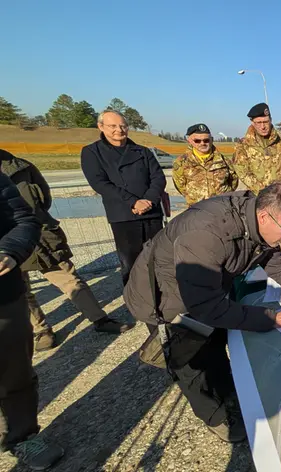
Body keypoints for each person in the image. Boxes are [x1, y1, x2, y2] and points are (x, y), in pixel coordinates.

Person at [123, 183, 281, 443]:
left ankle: (228, 392)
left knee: (216, 342)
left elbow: (273, 261)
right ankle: (216, 417)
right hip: (165, 300)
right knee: (192, 363)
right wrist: (269, 318)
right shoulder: (205, 233)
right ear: (264, 216)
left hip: (206, 290)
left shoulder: (258, 221)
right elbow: (206, 307)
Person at [1, 149, 130, 350]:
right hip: (4, 245)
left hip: (39, 233)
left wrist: (36, 223)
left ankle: (100, 320)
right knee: (22, 290)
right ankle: (42, 331)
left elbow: (44, 197)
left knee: (70, 279)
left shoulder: (21, 166)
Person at [0, 171, 65, 469]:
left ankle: (22, 436)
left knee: (15, 372)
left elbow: (24, 221)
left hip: (4, 299)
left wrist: (10, 252)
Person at [81, 110, 166, 287]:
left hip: (151, 214)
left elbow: (158, 177)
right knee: (131, 264)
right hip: (124, 215)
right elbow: (99, 183)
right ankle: (137, 304)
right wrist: (133, 202)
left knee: (159, 259)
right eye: (112, 126)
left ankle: (162, 301)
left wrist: (149, 200)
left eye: (122, 126)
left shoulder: (142, 151)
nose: (118, 130)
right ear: (101, 127)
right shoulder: (92, 152)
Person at [231, 103, 281, 256]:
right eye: (258, 123)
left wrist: (276, 191)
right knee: (258, 241)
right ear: (252, 123)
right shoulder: (243, 146)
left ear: (271, 119)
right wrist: (263, 191)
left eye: (265, 122)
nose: (263, 126)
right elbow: (242, 171)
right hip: (257, 200)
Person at [173, 123, 238, 206]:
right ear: (189, 140)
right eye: (197, 141)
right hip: (197, 209)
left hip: (222, 208)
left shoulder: (224, 160)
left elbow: (233, 181)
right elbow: (180, 186)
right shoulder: (181, 162)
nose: (202, 143)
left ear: (211, 140)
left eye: (206, 140)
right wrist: (193, 197)